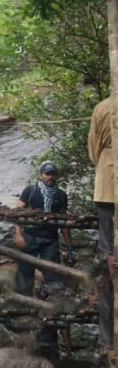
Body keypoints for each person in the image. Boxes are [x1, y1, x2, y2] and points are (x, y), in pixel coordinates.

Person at [14, 160, 73, 360]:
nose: (50, 177)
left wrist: (69, 246)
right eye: (47, 174)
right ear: (41, 175)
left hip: (50, 239)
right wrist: (19, 235)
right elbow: (18, 212)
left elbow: (63, 221)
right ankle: (23, 307)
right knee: (25, 273)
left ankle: (51, 309)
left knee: (52, 276)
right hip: (30, 236)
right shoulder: (30, 190)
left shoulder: (61, 195)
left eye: (53, 174)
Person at [88, 97, 114, 365]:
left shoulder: (103, 108)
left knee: (108, 241)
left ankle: (112, 264)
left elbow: (93, 148)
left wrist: (103, 160)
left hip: (107, 178)